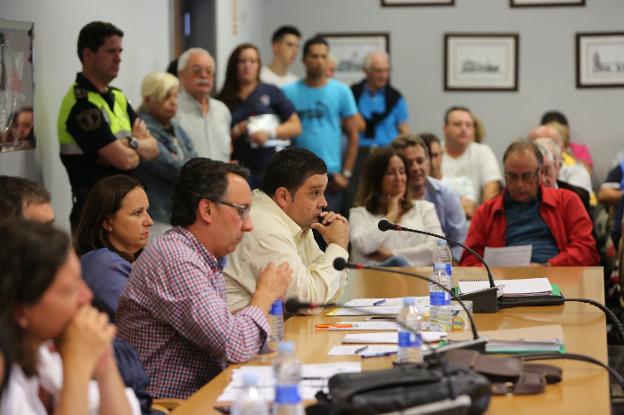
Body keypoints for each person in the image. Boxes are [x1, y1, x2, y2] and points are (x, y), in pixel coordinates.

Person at [116, 158, 293, 399]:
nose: (249, 225)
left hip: (205, 395)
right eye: (242, 211)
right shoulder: (176, 260)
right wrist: (264, 295)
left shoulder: (203, 257)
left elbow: (230, 337)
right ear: (207, 210)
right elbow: (236, 345)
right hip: (173, 408)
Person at [0, 221, 140, 414]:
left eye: (80, 280)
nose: (87, 296)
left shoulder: (44, 356)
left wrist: (104, 362)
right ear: (21, 312)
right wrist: (78, 363)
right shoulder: (6, 377)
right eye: (69, 289)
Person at [57, 21, 159, 229]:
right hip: (96, 216)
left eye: (120, 51)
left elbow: (154, 149)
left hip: (128, 213)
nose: (119, 58)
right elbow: (124, 161)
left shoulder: (118, 96)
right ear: (88, 55)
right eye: (111, 51)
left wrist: (130, 143)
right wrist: (137, 144)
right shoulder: (81, 105)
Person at [224, 148, 349, 312]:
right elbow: (309, 303)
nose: (324, 203)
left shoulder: (295, 220)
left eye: (323, 192)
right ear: (283, 196)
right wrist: (338, 246)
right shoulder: (265, 230)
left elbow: (332, 292)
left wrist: (336, 249)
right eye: (315, 193)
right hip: (247, 334)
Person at [460, 140, 598, 266]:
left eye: (527, 176)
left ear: (540, 173)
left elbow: (587, 249)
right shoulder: (486, 212)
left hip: (557, 276)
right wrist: (497, 273)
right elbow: (469, 261)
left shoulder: (567, 201)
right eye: (512, 176)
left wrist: (549, 266)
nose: (519, 185)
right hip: (505, 282)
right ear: (505, 175)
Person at [283, 36, 359, 213]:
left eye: (323, 56)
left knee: (330, 231)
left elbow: (354, 136)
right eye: (314, 56)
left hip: (331, 177)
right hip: (298, 174)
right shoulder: (288, 92)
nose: (319, 61)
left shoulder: (341, 91)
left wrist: (346, 174)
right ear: (304, 59)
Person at [217, 44, 301, 187]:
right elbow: (219, 138)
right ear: (234, 65)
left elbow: (295, 126)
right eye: (242, 61)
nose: (247, 66)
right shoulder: (223, 98)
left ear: (258, 65)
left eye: (253, 61)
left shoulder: (271, 91)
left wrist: (269, 134)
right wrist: (238, 130)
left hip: (271, 168)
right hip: (240, 171)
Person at [74, 175, 153, 320]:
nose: (149, 221)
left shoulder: (117, 260)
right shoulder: (103, 265)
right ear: (107, 222)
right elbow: (142, 330)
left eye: (147, 211)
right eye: (137, 213)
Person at [349, 148, 442, 266]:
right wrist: (391, 215)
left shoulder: (425, 208)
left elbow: (437, 247)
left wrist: (392, 256)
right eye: (390, 173)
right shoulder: (359, 213)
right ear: (376, 179)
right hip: (375, 282)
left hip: (418, 280)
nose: (399, 178)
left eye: (402, 172)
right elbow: (363, 246)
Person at [136, 71, 196, 232]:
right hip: (156, 213)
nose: (173, 102)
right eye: (166, 97)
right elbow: (174, 168)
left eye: (175, 96)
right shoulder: (143, 129)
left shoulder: (174, 125)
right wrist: (194, 169)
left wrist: (193, 167)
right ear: (148, 100)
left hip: (177, 210)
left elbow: (194, 158)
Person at [391, 134, 467, 261]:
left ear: (428, 161)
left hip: (440, 269)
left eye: (420, 161)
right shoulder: (389, 199)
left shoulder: (447, 194)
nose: (416, 168)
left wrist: (446, 270)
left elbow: (460, 244)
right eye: (409, 163)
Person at [441, 106, 502, 218]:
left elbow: (492, 192)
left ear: (474, 130)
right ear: (445, 128)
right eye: (457, 124)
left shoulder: (483, 152)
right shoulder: (435, 153)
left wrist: (482, 221)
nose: (464, 128)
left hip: (474, 220)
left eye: (468, 125)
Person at [175, 47, 231, 162]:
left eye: (209, 71)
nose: (204, 76)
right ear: (181, 75)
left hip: (221, 178)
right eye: (197, 71)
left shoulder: (222, 109)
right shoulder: (173, 109)